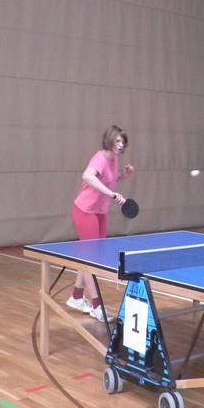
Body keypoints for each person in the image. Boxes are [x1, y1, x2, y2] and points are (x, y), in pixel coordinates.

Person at [66, 125, 134, 322]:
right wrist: (112, 194)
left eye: (123, 142)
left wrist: (122, 176)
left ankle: (77, 296)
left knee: (89, 257)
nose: (121, 145)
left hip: (100, 212)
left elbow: (106, 180)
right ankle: (97, 307)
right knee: (90, 259)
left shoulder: (114, 159)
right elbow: (87, 176)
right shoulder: (100, 158)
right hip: (85, 211)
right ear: (109, 140)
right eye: (118, 141)